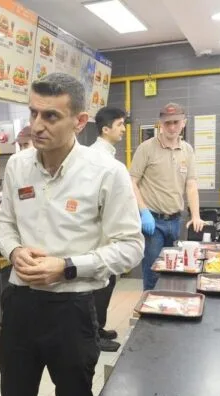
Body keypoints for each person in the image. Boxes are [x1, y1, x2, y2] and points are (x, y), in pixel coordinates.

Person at [0, 73, 143, 396]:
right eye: (33, 113)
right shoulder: (18, 166)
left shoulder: (106, 172)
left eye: (50, 116)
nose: (36, 126)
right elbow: (4, 224)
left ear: (79, 121)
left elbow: (131, 247)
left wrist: (67, 267)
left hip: (72, 309)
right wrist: (14, 251)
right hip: (20, 305)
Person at [130, 103, 204, 291]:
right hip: (153, 222)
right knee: (154, 271)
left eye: (176, 122)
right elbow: (131, 181)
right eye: (167, 123)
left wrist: (195, 215)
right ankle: (150, 314)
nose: (172, 127)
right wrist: (143, 211)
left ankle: (169, 309)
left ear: (184, 123)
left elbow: (191, 184)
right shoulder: (146, 148)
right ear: (160, 124)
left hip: (176, 221)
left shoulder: (187, 150)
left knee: (173, 270)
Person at [89, 106, 127, 352]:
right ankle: (93, 335)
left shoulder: (107, 155)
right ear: (105, 129)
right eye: (120, 124)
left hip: (107, 236)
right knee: (98, 289)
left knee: (107, 285)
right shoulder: (97, 158)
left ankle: (99, 328)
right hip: (98, 238)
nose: (123, 129)